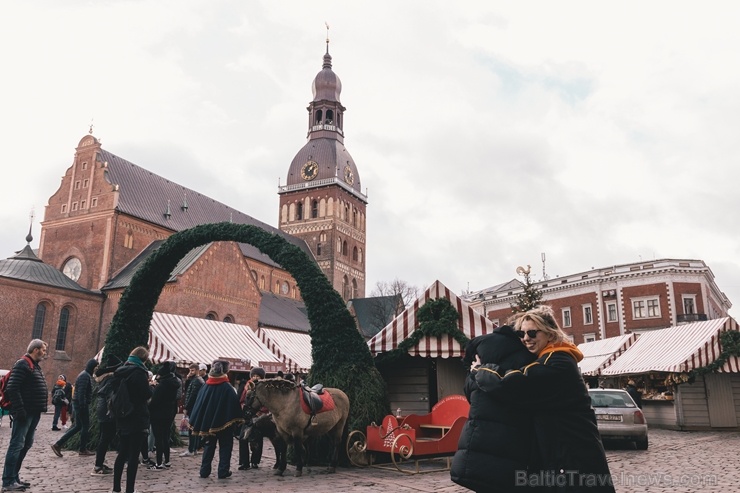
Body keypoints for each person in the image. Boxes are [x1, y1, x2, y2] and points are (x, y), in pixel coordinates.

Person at [479, 306, 615, 492]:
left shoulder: (558, 361)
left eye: (533, 333)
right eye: (522, 333)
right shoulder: (553, 358)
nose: (526, 338)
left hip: (572, 455)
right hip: (567, 453)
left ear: (550, 334)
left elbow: (509, 383)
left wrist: (480, 370)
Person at [450, 326, 537, 492]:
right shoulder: (527, 357)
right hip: (510, 443)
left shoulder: (479, 357)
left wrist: (475, 371)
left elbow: (469, 392)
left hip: (475, 443)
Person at [1, 339, 49, 492]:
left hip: (33, 412)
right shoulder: (23, 364)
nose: (44, 353)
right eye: (43, 349)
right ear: (35, 350)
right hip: (25, 412)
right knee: (16, 445)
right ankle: (8, 481)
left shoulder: (34, 365)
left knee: (25, 444)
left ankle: (14, 477)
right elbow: (13, 387)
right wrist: (20, 409)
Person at [189, 360, 243, 479]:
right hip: (225, 423)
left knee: (208, 446)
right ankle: (223, 471)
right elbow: (234, 405)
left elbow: (199, 404)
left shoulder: (206, 386)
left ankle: (204, 471)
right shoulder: (227, 387)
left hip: (208, 423)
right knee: (225, 446)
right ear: (226, 371)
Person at [111, 346, 153, 493]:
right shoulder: (139, 373)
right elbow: (145, 394)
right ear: (143, 359)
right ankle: (130, 489)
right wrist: (151, 387)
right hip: (137, 417)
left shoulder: (121, 371)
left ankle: (116, 488)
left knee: (122, 453)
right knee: (134, 456)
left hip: (122, 417)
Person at [51, 358, 99, 457]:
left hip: (79, 404)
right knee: (84, 426)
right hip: (81, 404)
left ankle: (58, 444)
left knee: (78, 426)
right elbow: (81, 392)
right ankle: (82, 449)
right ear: (92, 367)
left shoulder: (85, 375)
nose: (96, 369)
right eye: (96, 367)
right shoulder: (85, 376)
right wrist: (83, 406)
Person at [91, 359, 122, 475]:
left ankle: (99, 464)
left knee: (104, 438)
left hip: (102, 410)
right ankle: (98, 466)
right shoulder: (111, 380)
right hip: (107, 412)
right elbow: (111, 398)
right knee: (105, 438)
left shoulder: (104, 379)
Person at [148, 361, 180, 470]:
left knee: (158, 438)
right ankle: (167, 460)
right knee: (166, 436)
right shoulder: (173, 384)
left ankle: (159, 462)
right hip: (168, 413)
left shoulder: (161, 386)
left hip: (157, 414)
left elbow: (154, 402)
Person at [238, 366, 267, 470]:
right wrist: (243, 407)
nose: (255, 377)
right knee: (243, 438)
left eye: (257, 375)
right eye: (253, 375)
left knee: (257, 439)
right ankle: (244, 462)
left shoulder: (264, 387)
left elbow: (266, 402)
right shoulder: (247, 386)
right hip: (247, 415)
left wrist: (261, 412)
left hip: (258, 416)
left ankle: (255, 461)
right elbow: (241, 400)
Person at [180, 363, 206, 457]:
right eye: (190, 370)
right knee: (193, 429)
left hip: (194, 407)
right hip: (195, 407)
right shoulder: (196, 380)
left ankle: (191, 449)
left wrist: (186, 407)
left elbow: (192, 395)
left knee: (192, 428)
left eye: (192, 370)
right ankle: (193, 448)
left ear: (197, 370)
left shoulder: (197, 381)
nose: (190, 372)